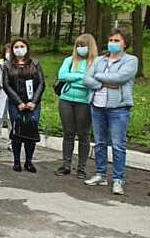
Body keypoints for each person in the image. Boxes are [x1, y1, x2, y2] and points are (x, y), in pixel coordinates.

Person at [83, 29, 138, 195]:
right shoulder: (99, 60)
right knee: (100, 142)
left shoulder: (131, 60)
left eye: (117, 40)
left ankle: (118, 179)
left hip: (118, 108)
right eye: (111, 40)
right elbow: (86, 79)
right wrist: (102, 83)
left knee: (118, 145)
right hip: (97, 106)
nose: (112, 43)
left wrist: (98, 77)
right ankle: (100, 174)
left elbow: (120, 78)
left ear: (125, 43)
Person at [55, 34, 98, 179]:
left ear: (90, 47)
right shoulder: (69, 60)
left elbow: (92, 81)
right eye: (78, 45)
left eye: (83, 45)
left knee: (83, 134)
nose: (80, 48)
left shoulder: (95, 62)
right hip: (66, 100)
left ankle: (81, 168)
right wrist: (81, 76)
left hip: (84, 102)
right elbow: (61, 75)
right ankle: (66, 165)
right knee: (68, 133)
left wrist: (72, 77)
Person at [2, 38, 45, 173]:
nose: (19, 49)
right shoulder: (8, 65)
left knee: (31, 130)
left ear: (27, 48)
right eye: (16, 47)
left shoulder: (35, 64)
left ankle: (29, 161)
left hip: (33, 103)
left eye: (22, 46)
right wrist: (19, 102)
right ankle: (16, 161)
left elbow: (41, 84)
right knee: (17, 131)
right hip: (16, 104)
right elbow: (6, 85)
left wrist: (34, 101)